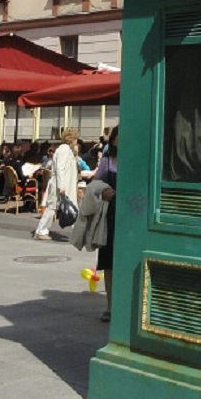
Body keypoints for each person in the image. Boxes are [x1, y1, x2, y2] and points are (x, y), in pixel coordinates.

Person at [33, 126, 81, 239]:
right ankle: (41, 231)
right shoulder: (64, 149)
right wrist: (61, 185)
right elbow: (60, 168)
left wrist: (75, 154)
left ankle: (76, 232)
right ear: (71, 138)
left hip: (63, 184)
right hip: (61, 184)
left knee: (65, 207)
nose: (77, 141)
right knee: (53, 207)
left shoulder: (67, 150)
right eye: (75, 138)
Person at [93, 125, 118, 320]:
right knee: (109, 263)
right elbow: (94, 183)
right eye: (119, 137)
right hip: (109, 215)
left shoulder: (135, 160)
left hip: (129, 216)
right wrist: (103, 191)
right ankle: (110, 306)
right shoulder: (107, 161)